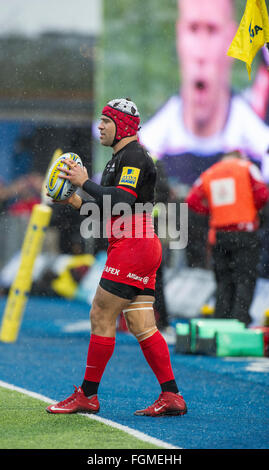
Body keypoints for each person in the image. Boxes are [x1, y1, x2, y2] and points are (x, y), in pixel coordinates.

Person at [46, 98, 187, 417]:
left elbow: (122, 198)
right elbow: (108, 209)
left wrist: (84, 182)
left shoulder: (134, 155)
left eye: (106, 121)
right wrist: (73, 199)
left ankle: (88, 396)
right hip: (134, 243)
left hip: (134, 245)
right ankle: (172, 395)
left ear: (122, 125)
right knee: (141, 323)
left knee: (100, 313)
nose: (100, 126)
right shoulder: (118, 159)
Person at [139, 0, 269, 268]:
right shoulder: (146, 143)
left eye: (211, 30)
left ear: (231, 38)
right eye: (192, 29)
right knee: (233, 292)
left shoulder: (260, 145)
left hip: (219, 242)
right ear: (178, 35)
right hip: (234, 242)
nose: (200, 52)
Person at [185, 150, 269, 326]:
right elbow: (263, 195)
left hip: (219, 235)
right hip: (244, 232)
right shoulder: (247, 167)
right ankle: (239, 320)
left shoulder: (210, 172)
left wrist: (211, 212)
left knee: (223, 280)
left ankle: (221, 320)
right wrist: (253, 211)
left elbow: (192, 200)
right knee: (245, 278)